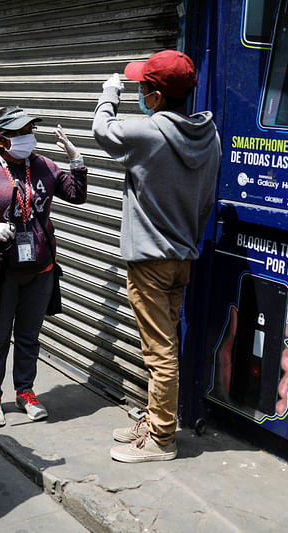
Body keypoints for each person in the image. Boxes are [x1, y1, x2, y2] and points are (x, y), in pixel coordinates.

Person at [92, 51, 221, 462]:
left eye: (143, 88)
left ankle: (162, 437)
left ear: (158, 96)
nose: (139, 92)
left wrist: (108, 95)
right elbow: (205, 204)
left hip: (150, 261)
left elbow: (101, 129)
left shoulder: (147, 134)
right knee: (164, 343)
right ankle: (155, 417)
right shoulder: (209, 136)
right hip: (182, 256)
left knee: (158, 350)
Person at [0, 107, 87, 428]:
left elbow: (77, 195)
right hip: (0, 270)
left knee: (29, 336)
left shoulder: (44, 166)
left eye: (30, 130)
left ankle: (25, 391)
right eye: (21, 132)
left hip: (40, 267)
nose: (29, 137)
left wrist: (77, 160)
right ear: (1, 139)